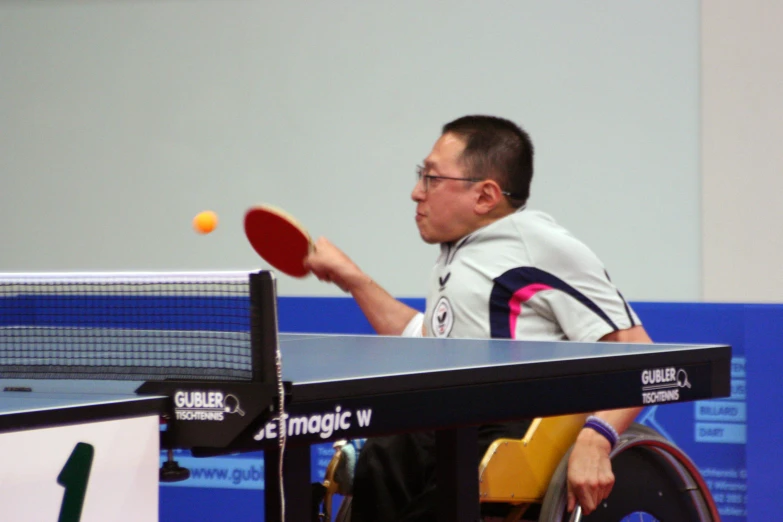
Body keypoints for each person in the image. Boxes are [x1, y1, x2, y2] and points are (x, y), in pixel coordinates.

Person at [304, 115, 652, 520]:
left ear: (486, 196)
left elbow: (635, 352)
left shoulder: (537, 244)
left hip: (509, 427)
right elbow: (428, 340)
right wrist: (355, 281)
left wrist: (597, 438)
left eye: (431, 178)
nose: (417, 193)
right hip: (451, 418)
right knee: (388, 446)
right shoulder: (457, 254)